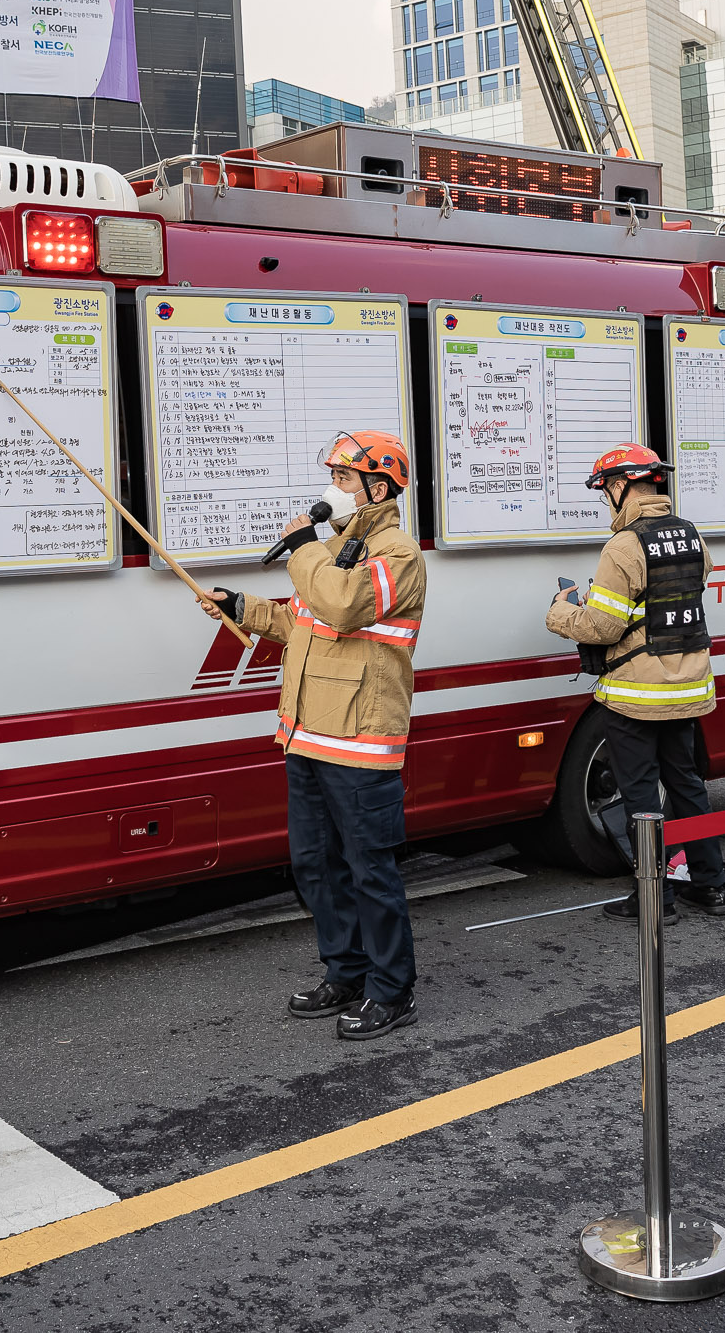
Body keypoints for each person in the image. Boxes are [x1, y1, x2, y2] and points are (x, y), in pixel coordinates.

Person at [201, 432, 427, 1042]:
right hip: (306, 736)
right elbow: (303, 620)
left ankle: (392, 989)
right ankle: (347, 971)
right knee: (316, 866)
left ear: (378, 488)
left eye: (345, 478)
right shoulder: (336, 550)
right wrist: (242, 606)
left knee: (368, 870)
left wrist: (304, 546)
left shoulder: (395, 553)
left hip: (358, 740)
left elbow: (346, 606)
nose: (334, 489)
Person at [544, 443, 725, 924]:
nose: (606, 498)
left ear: (621, 486)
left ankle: (655, 900)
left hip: (636, 694)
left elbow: (604, 628)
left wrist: (562, 612)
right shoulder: (691, 537)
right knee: (687, 786)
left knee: (642, 796)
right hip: (689, 684)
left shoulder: (623, 547)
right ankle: (708, 885)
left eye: (606, 489)